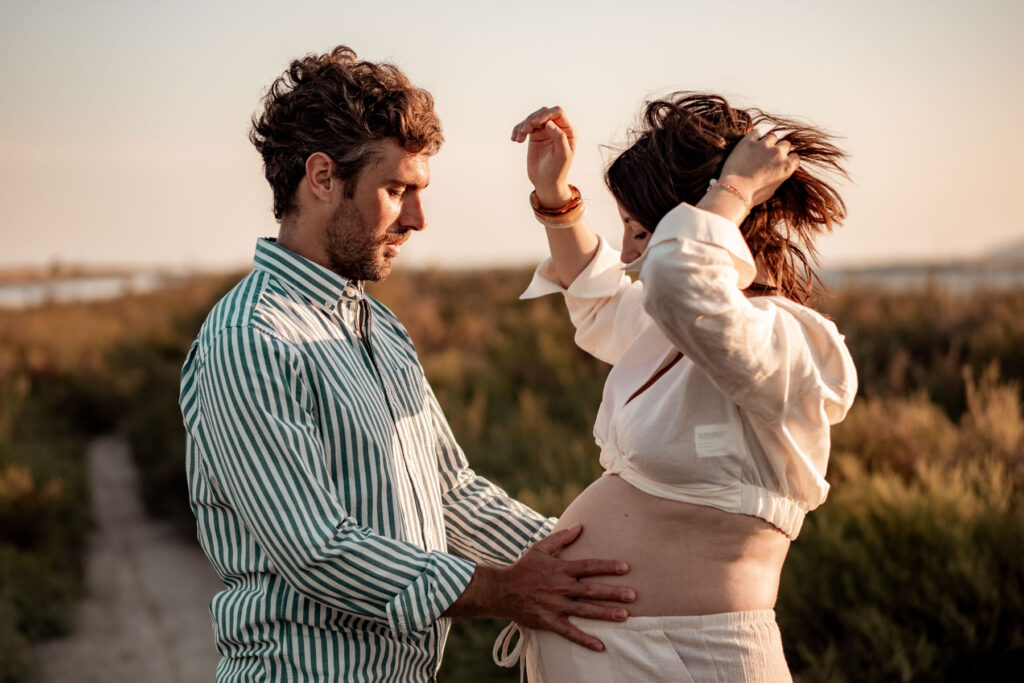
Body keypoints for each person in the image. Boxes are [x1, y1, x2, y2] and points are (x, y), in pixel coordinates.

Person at [178, 46, 636, 683]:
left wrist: (590, 562)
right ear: (320, 178)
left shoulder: (379, 326)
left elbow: (452, 494)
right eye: (397, 191)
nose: (419, 219)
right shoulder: (251, 337)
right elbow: (316, 549)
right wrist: (506, 591)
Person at [496, 94, 857, 681]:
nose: (633, 255)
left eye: (643, 233)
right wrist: (556, 198)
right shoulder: (687, 330)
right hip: (619, 658)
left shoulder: (790, 347)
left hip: (690, 661)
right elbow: (603, 302)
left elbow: (678, 281)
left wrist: (733, 190)